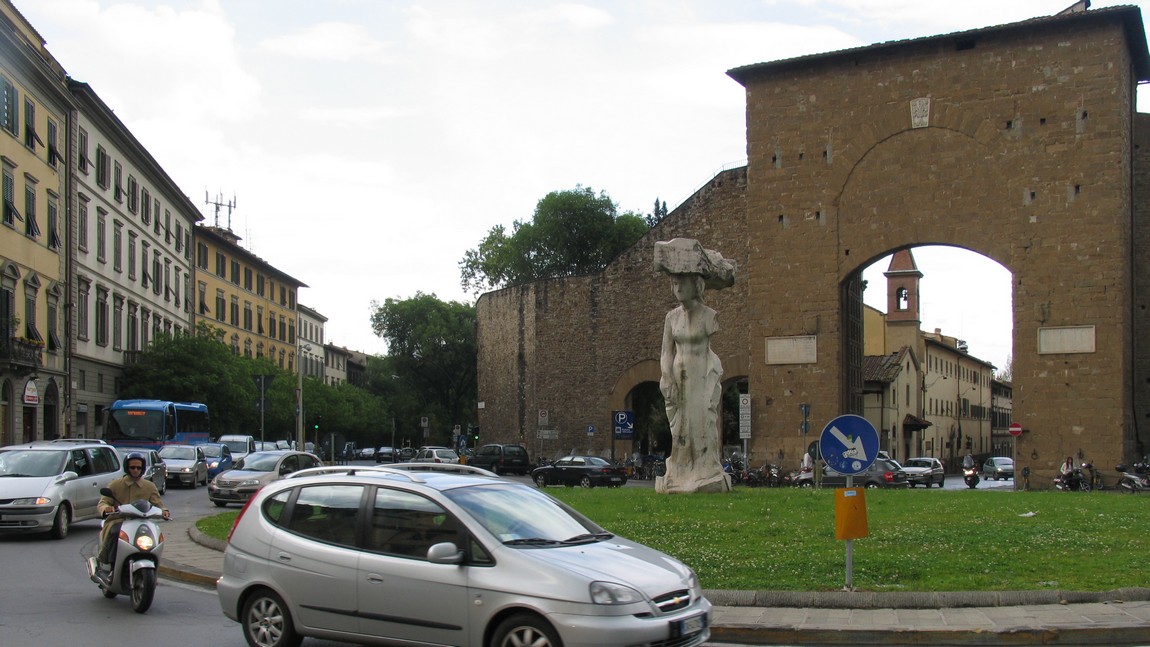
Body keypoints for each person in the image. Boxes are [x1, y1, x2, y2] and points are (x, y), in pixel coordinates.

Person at [97, 452, 169, 570]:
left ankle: (153, 558)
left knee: (155, 535)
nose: (135, 470)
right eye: (132, 467)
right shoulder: (116, 484)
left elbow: (158, 503)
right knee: (115, 533)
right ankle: (110, 562)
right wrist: (106, 509)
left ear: (142, 469)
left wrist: (164, 511)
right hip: (119, 520)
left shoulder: (150, 486)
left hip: (142, 521)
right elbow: (103, 502)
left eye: (138, 468)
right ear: (127, 468)